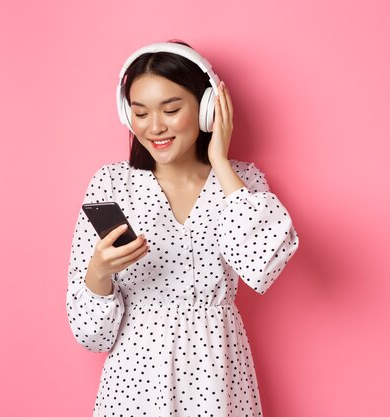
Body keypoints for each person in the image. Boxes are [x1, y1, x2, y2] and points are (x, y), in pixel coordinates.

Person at [66, 40, 299, 416]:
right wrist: (99, 272)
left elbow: (263, 267)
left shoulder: (243, 182)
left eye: (171, 110)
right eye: (140, 113)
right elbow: (91, 336)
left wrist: (221, 163)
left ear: (208, 108)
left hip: (218, 376)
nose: (155, 127)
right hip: (135, 382)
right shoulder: (112, 185)